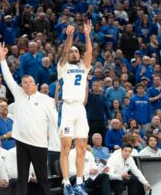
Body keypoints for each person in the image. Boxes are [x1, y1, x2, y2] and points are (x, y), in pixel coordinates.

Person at [0, 42, 57, 195]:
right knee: (22, 179)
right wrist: (3, 58)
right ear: (21, 85)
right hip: (22, 143)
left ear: (36, 85)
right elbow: (8, 77)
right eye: (25, 82)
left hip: (40, 144)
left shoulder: (46, 100)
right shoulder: (18, 93)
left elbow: (56, 121)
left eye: (30, 82)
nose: (27, 84)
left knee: (43, 179)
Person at [57, 21, 93, 195]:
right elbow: (64, 51)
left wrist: (87, 35)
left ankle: (79, 182)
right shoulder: (62, 67)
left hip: (80, 109)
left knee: (82, 147)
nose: (73, 53)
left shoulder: (83, 67)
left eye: (75, 51)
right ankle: (65, 182)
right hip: (68, 108)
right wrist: (69, 36)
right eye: (71, 51)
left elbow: (90, 53)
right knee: (65, 147)